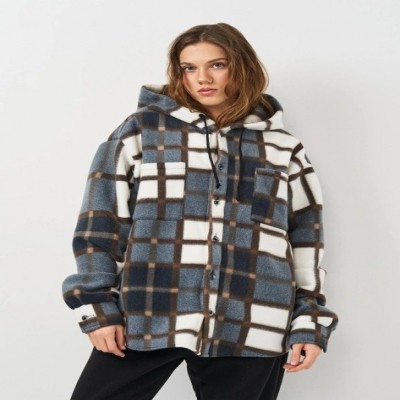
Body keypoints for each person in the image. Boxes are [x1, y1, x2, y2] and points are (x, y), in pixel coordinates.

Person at [62, 22, 338, 400]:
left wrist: (309, 320)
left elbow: (306, 241)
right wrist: (97, 306)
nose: (202, 78)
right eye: (189, 68)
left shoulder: (281, 147)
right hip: (149, 312)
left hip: (252, 322)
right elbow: (101, 224)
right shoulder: (141, 132)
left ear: (242, 67)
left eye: (217, 65)